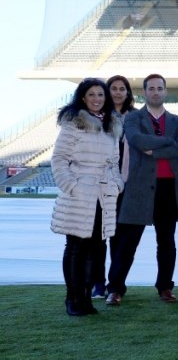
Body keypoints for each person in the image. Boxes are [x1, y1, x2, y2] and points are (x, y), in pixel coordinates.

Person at [106, 74, 178, 305]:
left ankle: (165, 287)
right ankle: (115, 288)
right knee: (127, 242)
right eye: (151, 88)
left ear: (165, 91)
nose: (155, 92)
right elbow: (136, 140)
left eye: (159, 88)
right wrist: (166, 142)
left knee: (166, 242)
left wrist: (156, 148)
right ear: (144, 92)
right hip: (139, 186)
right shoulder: (133, 118)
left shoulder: (176, 121)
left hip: (168, 187)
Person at [50, 78, 123, 316]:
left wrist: (116, 184)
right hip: (79, 196)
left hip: (103, 196)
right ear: (83, 97)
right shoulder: (73, 123)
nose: (96, 99)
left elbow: (113, 162)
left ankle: (87, 297)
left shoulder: (112, 125)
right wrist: (72, 185)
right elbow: (59, 159)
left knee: (96, 248)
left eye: (100, 95)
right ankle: (72, 299)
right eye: (91, 95)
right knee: (75, 247)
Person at [89, 74, 136, 299]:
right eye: (114, 88)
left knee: (121, 239)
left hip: (126, 184)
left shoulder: (136, 117)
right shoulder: (98, 117)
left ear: (128, 93)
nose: (118, 92)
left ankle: (116, 285)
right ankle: (97, 282)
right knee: (98, 236)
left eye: (122, 88)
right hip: (101, 183)